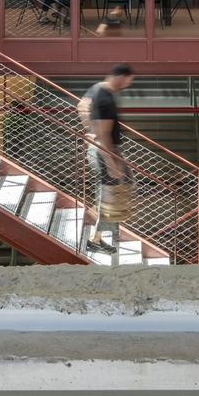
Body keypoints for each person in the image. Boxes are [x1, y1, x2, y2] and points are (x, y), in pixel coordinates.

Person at [81, 63, 134, 257]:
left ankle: (99, 235)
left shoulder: (98, 88)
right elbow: (104, 134)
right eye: (127, 81)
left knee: (114, 193)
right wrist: (112, 162)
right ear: (120, 77)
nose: (127, 85)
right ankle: (95, 239)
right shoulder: (105, 98)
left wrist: (89, 129)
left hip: (102, 149)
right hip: (105, 152)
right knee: (112, 195)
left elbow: (82, 105)